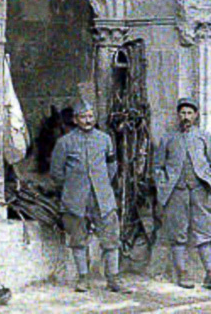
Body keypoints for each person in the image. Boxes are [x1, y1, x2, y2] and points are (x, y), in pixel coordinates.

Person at [48, 97, 131, 293]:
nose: (88, 120)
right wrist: (72, 187)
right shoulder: (64, 143)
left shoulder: (104, 139)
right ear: (75, 120)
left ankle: (113, 278)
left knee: (111, 239)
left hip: (102, 197)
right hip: (76, 199)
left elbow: (112, 167)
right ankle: (83, 277)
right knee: (78, 239)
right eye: (83, 117)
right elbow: (56, 172)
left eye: (91, 116)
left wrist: (102, 185)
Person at [153, 96, 211, 292]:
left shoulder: (204, 137)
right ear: (178, 115)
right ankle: (182, 272)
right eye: (182, 113)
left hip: (199, 192)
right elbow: (157, 167)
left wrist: (209, 183)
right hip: (176, 193)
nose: (186, 117)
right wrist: (165, 187)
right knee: (177, 233)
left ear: (195, 115)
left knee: (204, 233)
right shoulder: (168, 138)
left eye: (189, 113)